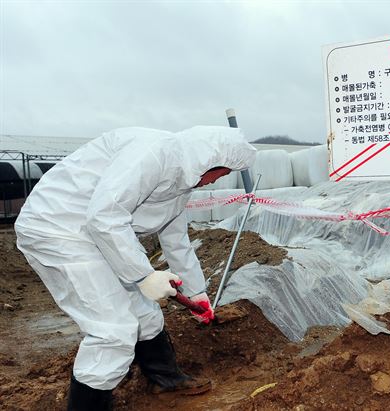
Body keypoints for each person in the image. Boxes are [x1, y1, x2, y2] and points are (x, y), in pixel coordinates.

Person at [14, 126, 256, 410]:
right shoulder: (153, 154)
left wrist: (197, 293)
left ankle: (165, 381)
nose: (216, 182)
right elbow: (104, 215)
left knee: (145, 313)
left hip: (96, 234)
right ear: (210, 163)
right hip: (59, 229)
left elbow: (176, 239)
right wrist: (143, 275)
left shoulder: (182, 181)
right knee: (114, 331)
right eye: (222, 174)